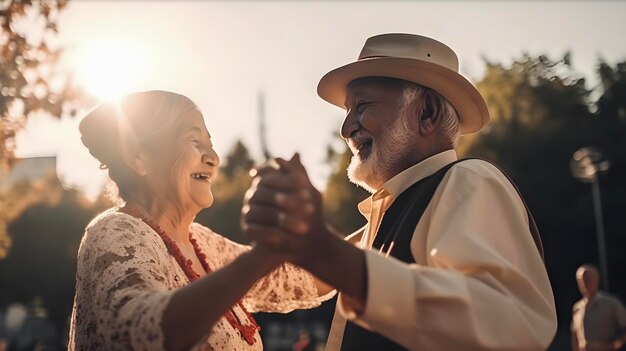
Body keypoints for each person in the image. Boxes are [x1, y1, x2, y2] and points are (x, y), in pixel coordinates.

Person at [242, 33, 558, 350]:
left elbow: (512, 328)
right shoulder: (387, 218)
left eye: (362, 105)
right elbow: (287, 282)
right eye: (347, 110)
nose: (345, 127)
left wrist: (325, 249)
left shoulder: (468, 179)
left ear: (426, 112)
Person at [68, 91, 333, 350]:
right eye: (194, 142)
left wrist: (374, 227)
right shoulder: (116, 231)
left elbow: (296, 279)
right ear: (137, 157)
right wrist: (263, 256)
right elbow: (142, 334)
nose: (214, 159)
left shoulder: (201, 241)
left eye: (211, 144)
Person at [571, 264, 626, 351]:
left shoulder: (611, 304)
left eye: (588, 279)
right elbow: (575, 338)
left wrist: (615, 345)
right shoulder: (577, 308)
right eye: (581, 280)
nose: (585, 283)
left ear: (596, 279)